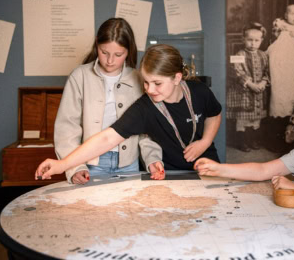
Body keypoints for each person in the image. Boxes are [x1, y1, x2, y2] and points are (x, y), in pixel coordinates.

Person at [37, 44, 222, 181]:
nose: (150, 90)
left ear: (177, 78)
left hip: (207, 167)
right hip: (170, 174)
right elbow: (106, 139)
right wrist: (63, 164)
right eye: (146, 82)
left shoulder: (200, 91)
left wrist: (204, 142)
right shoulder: (145, 107)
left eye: (157, 83)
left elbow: (214, 115)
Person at [54, 18, 162, 185]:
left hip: (129, 164)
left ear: (128, 51)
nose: (110, 60)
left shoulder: (139, 79)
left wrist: (152, 158)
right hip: (90, 163)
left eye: (118, 55)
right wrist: (75, 167)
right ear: (97, 45)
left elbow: (146, 129)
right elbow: (67, 128)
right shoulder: (79, 76)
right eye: (104, 52)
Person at [226, 22, 269, 152]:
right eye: (249, 40)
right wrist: (250, 84)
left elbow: (267, 72)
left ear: (261, 40)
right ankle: (242, 141)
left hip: (259, 92)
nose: (253, 43)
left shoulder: (264, 55)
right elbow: (237, 72)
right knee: (242, 119)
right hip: (243, 92)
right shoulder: (237, 55)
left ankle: (253, 140)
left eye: (256, 40)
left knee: (256, 119)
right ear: (243, 39)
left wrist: (263, 83)